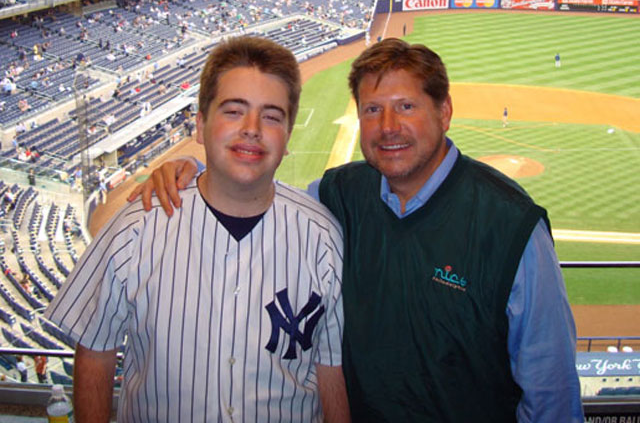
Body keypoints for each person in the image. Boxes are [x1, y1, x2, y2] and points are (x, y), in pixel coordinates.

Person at [129, 38, 583, 422]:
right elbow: (257, 198)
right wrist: (194, 169)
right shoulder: (339, 194)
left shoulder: (510, 224)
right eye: (372, 110)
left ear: (444, 111)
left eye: (406, 106)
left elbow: (552, 393)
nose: (388, 127)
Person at [44, 36, 349, 423]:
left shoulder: (322, 236)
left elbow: (329, 367)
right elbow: (95, 355)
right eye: (234, 111)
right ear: (201, 125)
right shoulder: (135, 228)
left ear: (288, 134)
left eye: (271, 116)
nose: (252, 129)